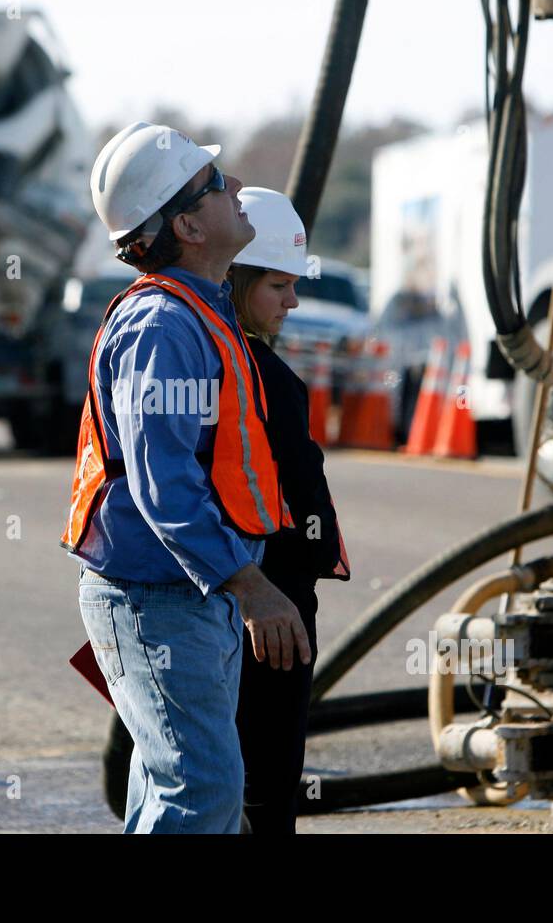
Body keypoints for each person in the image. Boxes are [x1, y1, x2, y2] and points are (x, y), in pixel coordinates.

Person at [63, 122, 311, 833]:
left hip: (182, 596)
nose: (235, 189)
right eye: (213, 184)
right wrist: (249, 582)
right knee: (200, 791)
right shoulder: (163, 326)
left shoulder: (199, 315)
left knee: (178, 789)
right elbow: (163, 484)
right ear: (187, 225)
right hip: (159, 600)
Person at [228, 188, 350, 833]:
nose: (294, 301)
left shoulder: (232, 358)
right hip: (264, 605)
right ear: (239, 276)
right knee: (263, 789)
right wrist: (266, 595)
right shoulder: (245, 370)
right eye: (279, 284)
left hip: (257, 596)